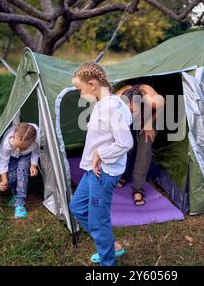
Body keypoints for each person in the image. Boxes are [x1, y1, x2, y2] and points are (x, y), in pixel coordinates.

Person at [69, 62, 133, 266]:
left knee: (98, 221)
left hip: (103, 173)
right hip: (92, 170)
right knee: (77, 207)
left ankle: (108, 263)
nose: (80, 95)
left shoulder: (112, 107)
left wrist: (101, 153)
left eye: (80, 90)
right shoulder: (106, 102)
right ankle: (111, 245)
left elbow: (126, 142)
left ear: (92, 84)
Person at [115, 84, 165, 206]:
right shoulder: (117, 98)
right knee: (127, 146)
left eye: (133, 110)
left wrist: (148, 124)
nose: (131, 113)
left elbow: (162, 104)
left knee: (144, 150)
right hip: (127, 121)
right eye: (128, 110)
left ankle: (138, 190)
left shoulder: (151, 100)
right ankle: (124, 174)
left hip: (149, 117)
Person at [0, 122, 39, 219]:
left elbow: (36, 151)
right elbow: (3, 161)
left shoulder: (37, 139)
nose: (18, 149)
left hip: (25, 156)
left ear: (32, 141)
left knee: (22, 172)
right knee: (11, 177)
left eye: (22, 147)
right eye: (16, 145)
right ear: (13, 136)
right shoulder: (8, 143)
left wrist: (33, 165)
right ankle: (15, 194)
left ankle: (20, 204)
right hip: (11, 156)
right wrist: (4, 180)